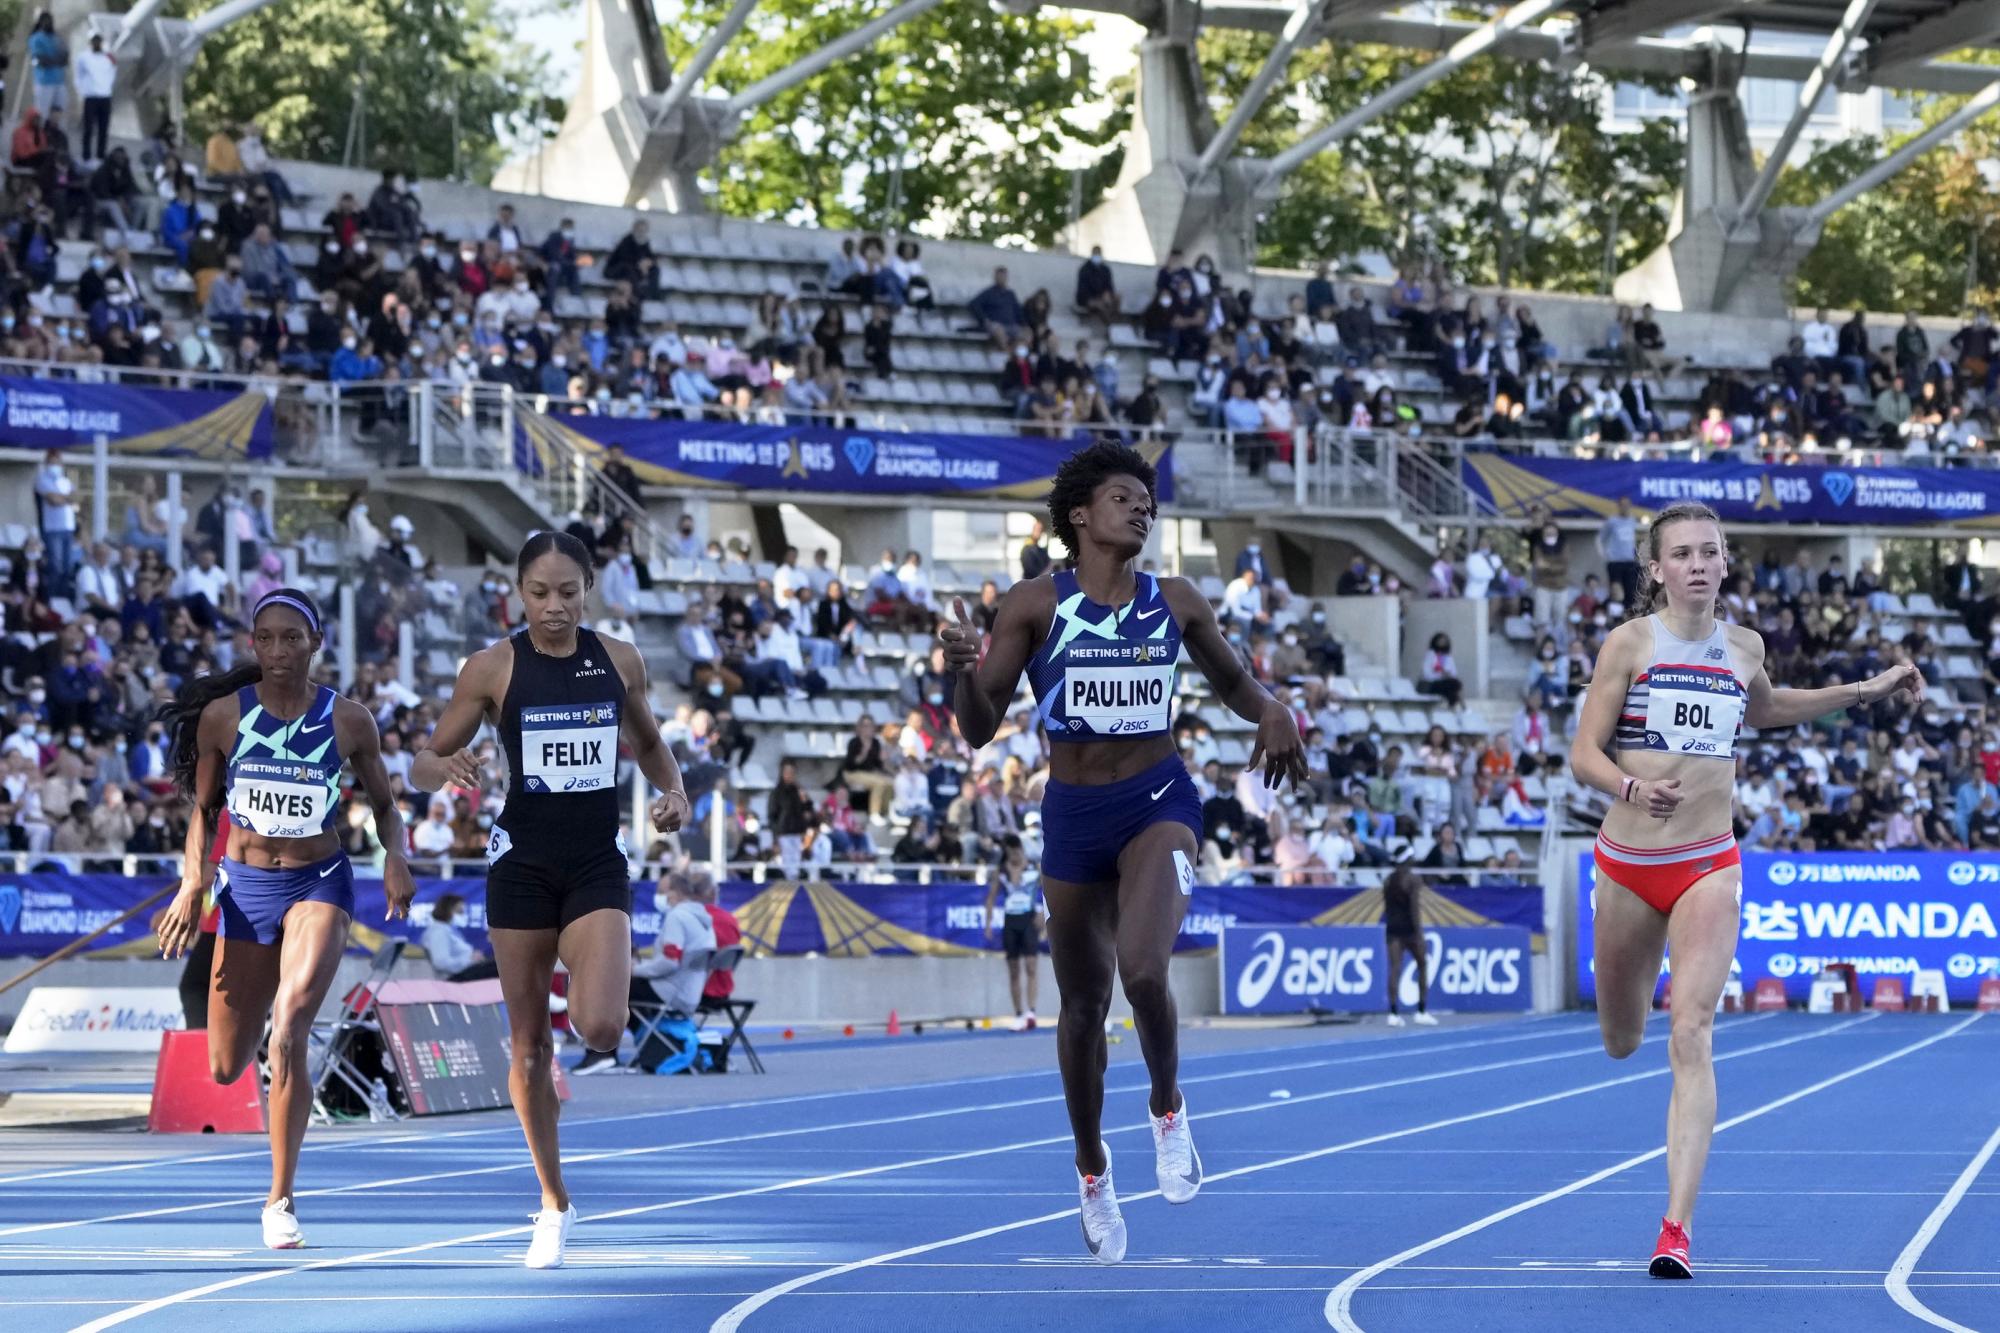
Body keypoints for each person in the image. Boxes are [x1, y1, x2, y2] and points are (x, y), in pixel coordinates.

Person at [940, 440, 1307, 1264]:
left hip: (1159, 800)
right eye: (1122, 497)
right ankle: (1092, 1169)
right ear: (1080, 514)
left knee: (1144, 969)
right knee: (1081, 1010)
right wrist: (960, 670)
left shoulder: (1174, 600)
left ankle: (1169, 1108)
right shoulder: (1036, 603)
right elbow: (975, 723)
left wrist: (1274, 708)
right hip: (1074, 814)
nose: (1141, 507)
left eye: (1147, 499)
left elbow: (1236, 683)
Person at [1568, 499, 1923, 1280]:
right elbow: (1581, 754)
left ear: (1726, 562)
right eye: (1683, 553)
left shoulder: (1744, 646)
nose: (1698, 563)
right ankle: (1637, 1000)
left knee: (1691, 1032)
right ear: (1656, 569)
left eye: (1710, 551)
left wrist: (1865, 689)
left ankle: (1675, 1229)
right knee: (1621, 1039)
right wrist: (1628, 786)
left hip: (1708, 861)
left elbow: (1768, 709)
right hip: (1629, 863)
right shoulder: (1629, 644)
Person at [408, 531, 689, 1269]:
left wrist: (674, 790)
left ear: (589, 589)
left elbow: (651, 742)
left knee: (600, 1025)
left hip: (596, 861)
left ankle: (558, 1171)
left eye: (568, 592)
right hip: (521, 869)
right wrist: (451, 765)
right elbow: (421, 761)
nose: (555, 607)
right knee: (530, 1047)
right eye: (540, 593)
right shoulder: (493, 667)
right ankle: (553, 1201)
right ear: (518, 592)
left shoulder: (618, 659)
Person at [152, 589, 414, 1250]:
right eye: (265, 637)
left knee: (291, 1026)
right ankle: (267, 1088)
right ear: (252, 645)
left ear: (315, 641)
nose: (277, 650)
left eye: (291, 637)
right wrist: (192, 885)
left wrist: (396, 858)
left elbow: (385, 805)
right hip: (244, 890)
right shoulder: (223, 717)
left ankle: (281, 1197)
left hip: (318, 881)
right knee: (223, 1063)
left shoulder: (348, 720)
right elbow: (204, 813)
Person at [981, 833, 1043, 1030]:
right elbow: (991, 898)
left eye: (1016, 852)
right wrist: (988, 924)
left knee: (1031, 966)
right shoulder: (1002, 871)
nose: (1013, 857)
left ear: (1021, 851)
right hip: (1011, 920)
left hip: (1027, 919)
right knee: (1014, 970)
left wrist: (1043, 913)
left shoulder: (1034, 868)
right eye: (1010, 853)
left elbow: (1050, 890)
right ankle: (1018, 1013)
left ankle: (1031, 1011)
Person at [1380, 857, 1435, 1027]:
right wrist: (1419, 934)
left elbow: (1387, 906)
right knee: (1422, 965)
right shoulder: (1412, 879)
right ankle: (1421, 1010)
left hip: (1393, 928)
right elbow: (1414, 908)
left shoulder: (1388, 880)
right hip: (1409, 929)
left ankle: (1393, 1013)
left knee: (1395, 969)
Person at [422, 892, 498, 981]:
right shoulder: (439, 932)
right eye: (460, 912)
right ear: (449, 910)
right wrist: (470, 960)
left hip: (464, 971)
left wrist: (472, 957)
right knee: (500, 966)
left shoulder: (449, 930)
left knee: (499, 964)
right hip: (454, 977)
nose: (462, 915)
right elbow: (440, 962)